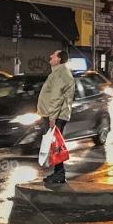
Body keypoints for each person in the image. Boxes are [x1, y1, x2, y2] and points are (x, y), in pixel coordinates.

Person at [37, 48, 76, 185]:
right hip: (55, 114)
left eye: (53, 55)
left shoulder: (60, 74)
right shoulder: (58, 73)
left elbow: (56, 97)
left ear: (59, 59)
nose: (50, 56)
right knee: (55, 145)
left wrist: (52, 117)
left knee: (56, 145)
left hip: (56, 115)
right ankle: (58, 173)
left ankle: (59, 174)